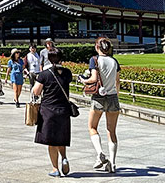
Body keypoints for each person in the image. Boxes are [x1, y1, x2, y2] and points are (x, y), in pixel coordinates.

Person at [78, 37, 121, 173]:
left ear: (97, 47)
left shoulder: (95, 60)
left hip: (99, 97)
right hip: (113, 96)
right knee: (111, 131)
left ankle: (100, 153)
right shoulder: (114, 61)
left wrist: (83, 80)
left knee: (92, 127)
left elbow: (94, 78)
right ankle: (113, 163)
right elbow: (117, 81)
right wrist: (116, 95)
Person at [31, 47, 73, 177]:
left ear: (49, 59)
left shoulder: (45, 74)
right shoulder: (67, 73)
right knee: (61, 138)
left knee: (52, 141)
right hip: (64, 109)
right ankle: (64, 157)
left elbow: (36, 91)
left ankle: (55, 169)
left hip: (48, 110)